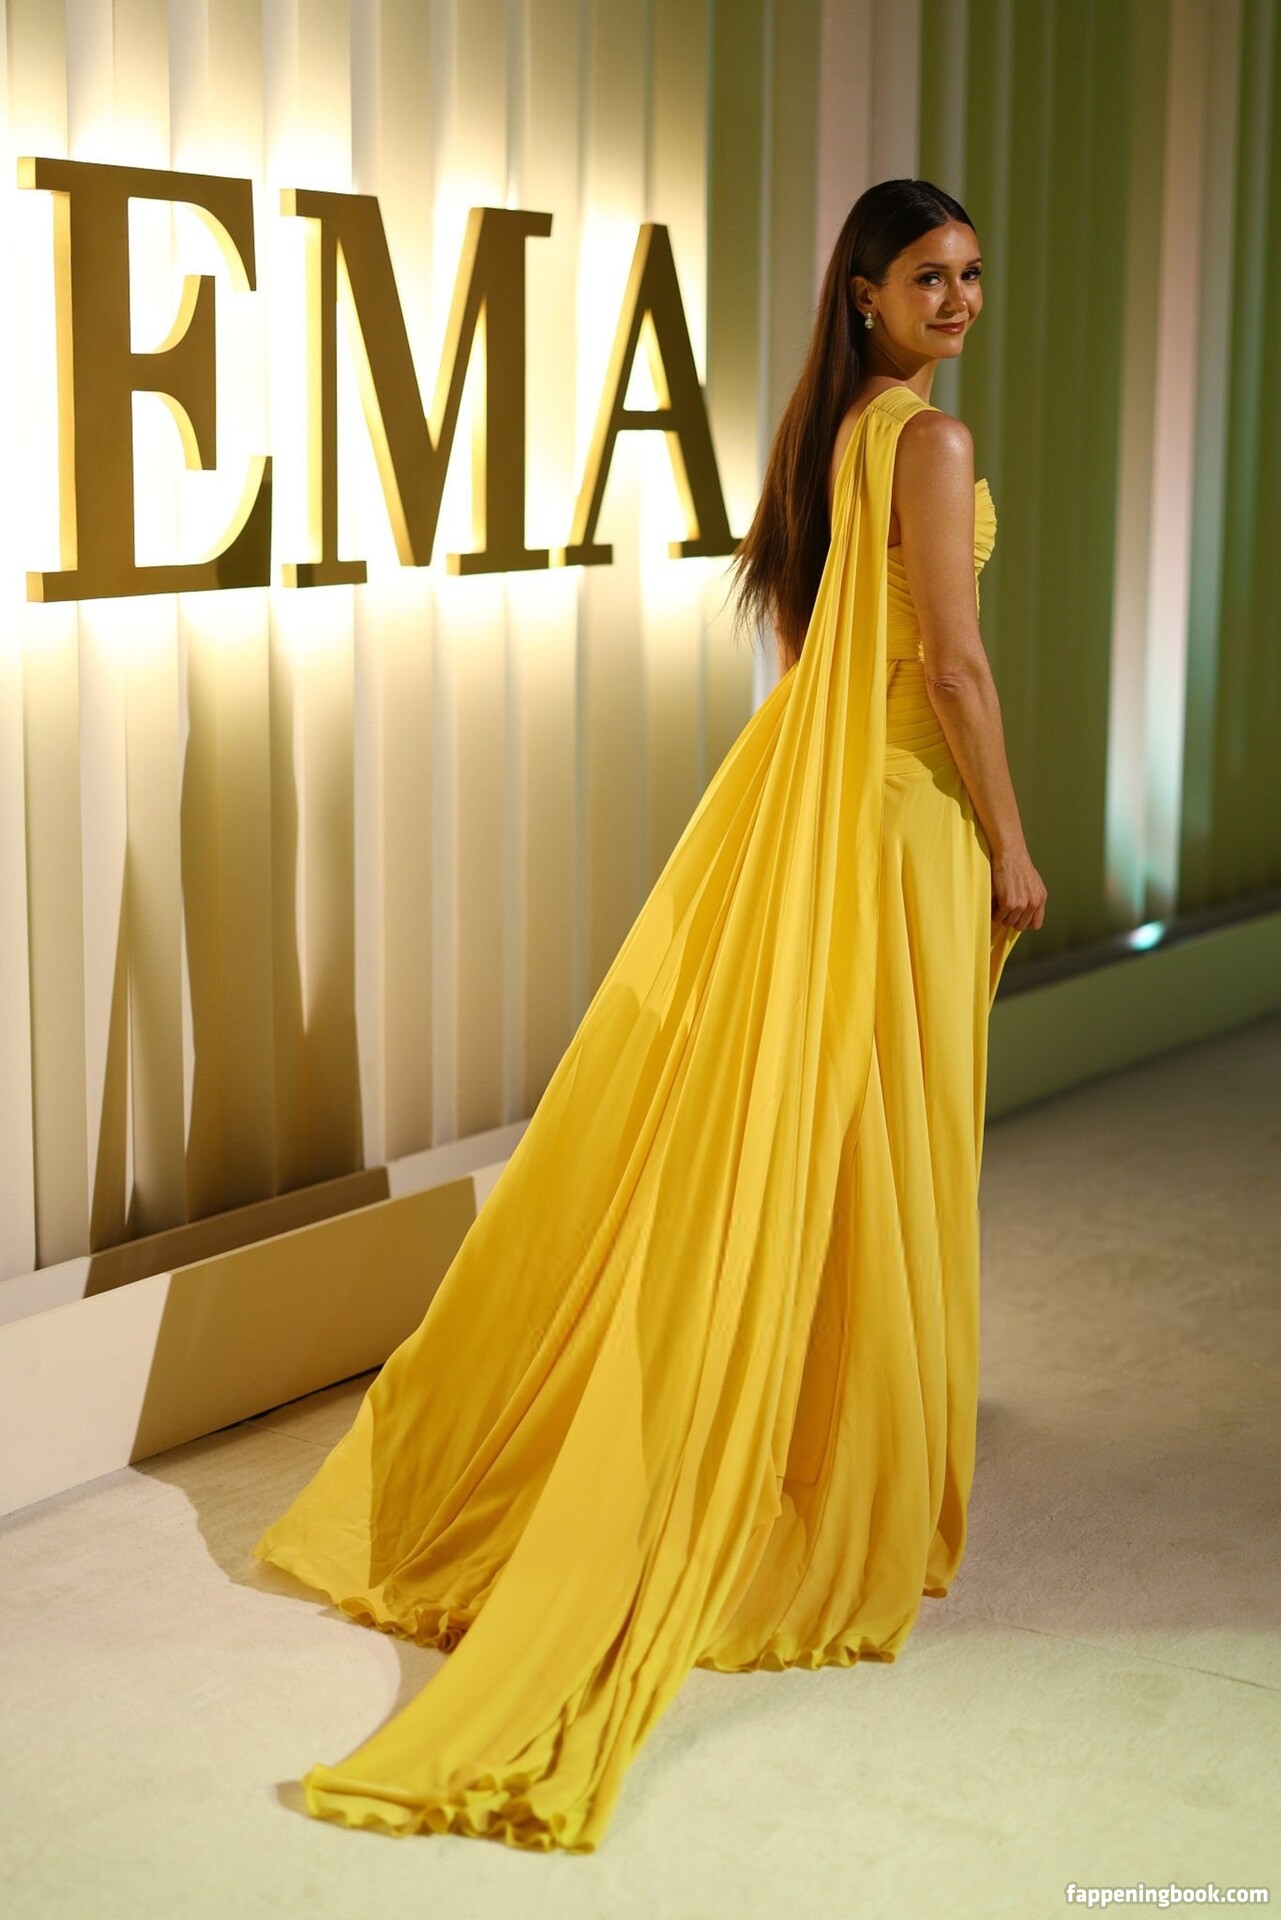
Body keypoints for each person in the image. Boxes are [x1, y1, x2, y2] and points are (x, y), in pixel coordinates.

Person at [251, 177, 1048, 1854]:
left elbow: (816, 646)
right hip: (902, 819)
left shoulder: (829, 436)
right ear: (863, 292)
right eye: (928, 277)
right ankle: (829, 1463)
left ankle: (810, 1423)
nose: (959, 301)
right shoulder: (929, 441)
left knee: (815, 1129)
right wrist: (1011, 842)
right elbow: (952, 668)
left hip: (817, 813)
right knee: (872, 1130)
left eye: (971, 275)